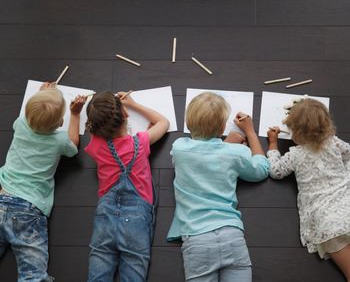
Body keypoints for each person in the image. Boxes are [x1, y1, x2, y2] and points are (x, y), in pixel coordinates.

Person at [167, 92, 270, 282]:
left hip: (197, 239)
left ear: (188, 122)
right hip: (231, 234)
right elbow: (261, 170)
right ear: (223, 126)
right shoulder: (236, 152)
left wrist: (224, 144)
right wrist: (250, 133)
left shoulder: (179, 148)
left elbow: (200, 158)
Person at [0, 82, 86, 281]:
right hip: (28, 208)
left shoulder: (20, 124)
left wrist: (42, 95)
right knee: (33, 274)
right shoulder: (59, 140)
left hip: (2, 195)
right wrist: (75, 114)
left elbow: (31, 114)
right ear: (59, 124)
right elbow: (73, 146)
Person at [84, 91, 169, 282]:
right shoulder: (141, 141)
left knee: (98, 272)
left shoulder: (96, 144)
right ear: (126, 115)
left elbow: (97, 133)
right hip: (137, 220)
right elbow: (163, 122)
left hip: (105, 217)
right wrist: (134, 104)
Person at [267, 98, 350, 281]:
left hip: (328, 222)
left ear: (296, 133)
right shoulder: (334, 142)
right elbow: (348, 154)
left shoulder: (296, 155)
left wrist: (273, 146)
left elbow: (276, 171)